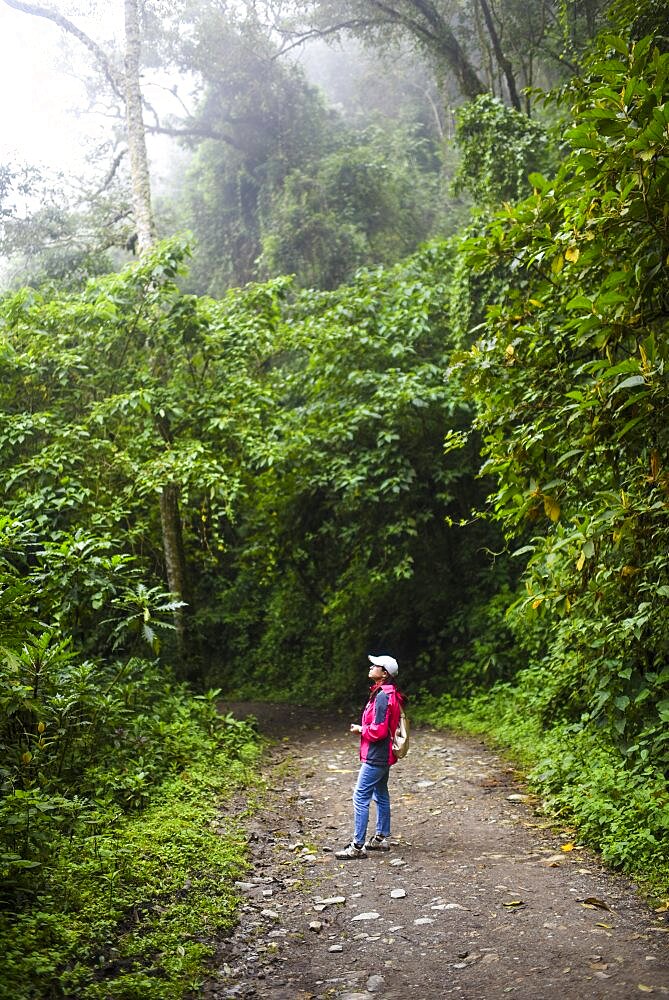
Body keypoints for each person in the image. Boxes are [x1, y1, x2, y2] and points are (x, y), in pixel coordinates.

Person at [335, 653, 406, 860]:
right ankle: (382, 837)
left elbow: (379, 730)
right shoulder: (387, 692)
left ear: (384, 673)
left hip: (377, 754)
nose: (371, 667)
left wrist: (361, 729)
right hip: (383, 754)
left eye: (375, 665)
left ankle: (357, 846)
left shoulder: (383, 695)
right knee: (380, 792)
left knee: (360, 796)